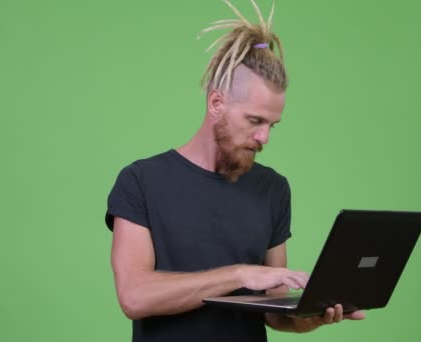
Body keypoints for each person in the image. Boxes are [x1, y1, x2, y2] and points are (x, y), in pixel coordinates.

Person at [104, 1, 365, 341]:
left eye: (272, 124)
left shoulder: (273, 189)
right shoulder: (140, 181)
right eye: (255, 121)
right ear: (217, 104)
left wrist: (314, 315)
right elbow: (135, 296)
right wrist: (240, 274)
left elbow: (274, 313)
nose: (264, 137)